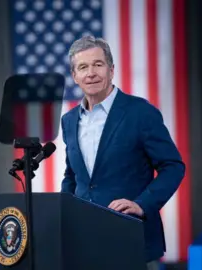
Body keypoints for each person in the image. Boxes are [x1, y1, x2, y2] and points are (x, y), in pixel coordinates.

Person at [60, 35, 185, 270]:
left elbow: (173, 166)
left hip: (133, 241)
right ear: (75, 76)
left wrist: (142, 204)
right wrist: (63, 212)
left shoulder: (141, 112)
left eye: (98, 64)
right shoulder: (68, 121)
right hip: (84, 246)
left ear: (111, 70)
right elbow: (72, 177)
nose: (91, 73)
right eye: (83, 67)